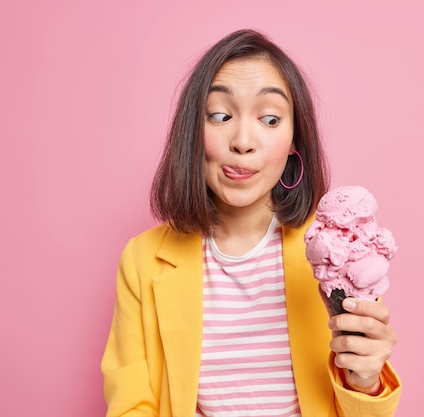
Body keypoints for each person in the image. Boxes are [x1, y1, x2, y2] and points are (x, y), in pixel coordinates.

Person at [101, 29, 402, 417]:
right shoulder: (143, 260)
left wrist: (365, 381)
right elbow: (132, 406)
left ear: (295, 142)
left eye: (270, 119)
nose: (243, 140)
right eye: (221, 115)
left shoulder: (331, 253)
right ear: (194, 132)